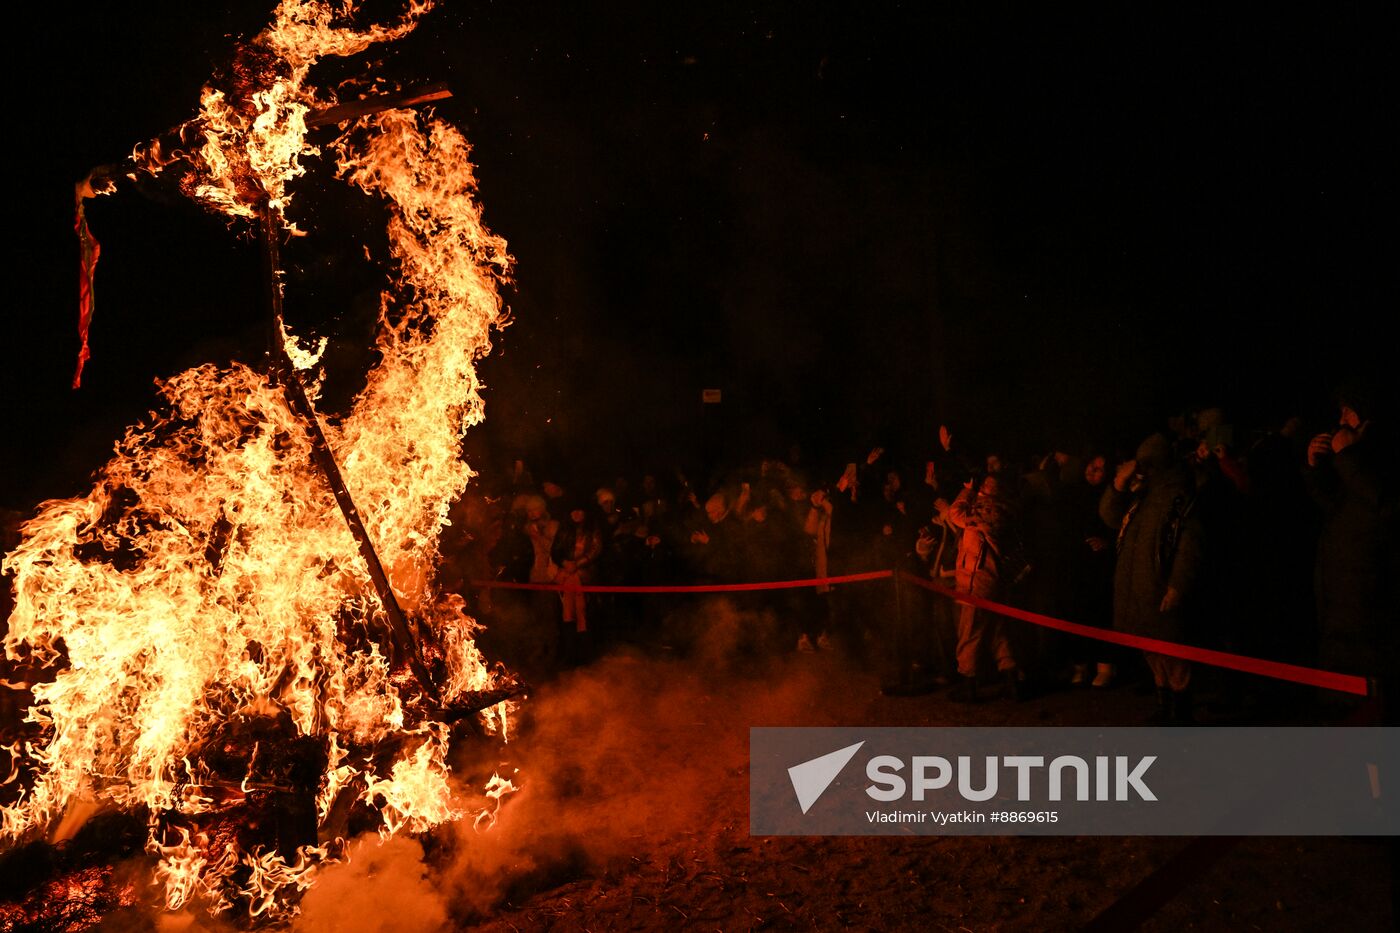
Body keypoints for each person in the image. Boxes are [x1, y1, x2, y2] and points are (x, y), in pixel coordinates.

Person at [1100, 433, 1204, 724]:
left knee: (1174, 656)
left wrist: (1177, 586)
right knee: (1153, 653)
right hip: (1139, 589)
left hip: (1159, 587)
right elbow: (1110, 515)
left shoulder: (1178, 496)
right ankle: (1165, 707)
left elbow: (1190, 545)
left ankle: (1181, 714)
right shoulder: (1143, 497)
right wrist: (1119, 485)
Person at [945, 472, 1022, 701]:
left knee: (970, 631)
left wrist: (968, 491)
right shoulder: (1001, 509)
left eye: (989, 483)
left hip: (977, 579)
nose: (985, 486)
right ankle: (1011, 680)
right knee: (997, 631)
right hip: (993, 579)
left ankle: (968, 685)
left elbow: (955, 514)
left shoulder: (988, 509)